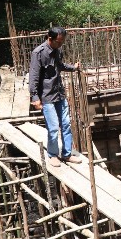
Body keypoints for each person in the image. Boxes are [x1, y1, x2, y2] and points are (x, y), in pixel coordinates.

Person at [29, 26, 81, 167]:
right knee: (52, 128)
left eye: (62, 42)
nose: (61, 44)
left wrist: (73, 68)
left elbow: (60, 66)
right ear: (50, 38)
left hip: (59, 94)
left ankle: (67, 154)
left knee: (66, 124)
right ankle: (52, 155)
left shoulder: (57, 50)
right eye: (59, 42)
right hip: (46, 97)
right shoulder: (38, 53)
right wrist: (35, 97)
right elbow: (33, 77)